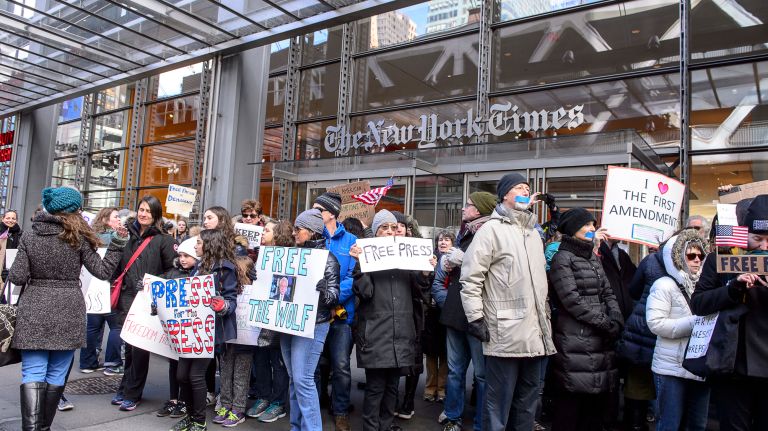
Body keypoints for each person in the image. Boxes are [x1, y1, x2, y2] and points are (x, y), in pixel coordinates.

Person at [10, 187, 128, 430]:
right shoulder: (78, 237)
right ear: (73, 211)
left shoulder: (30, 236)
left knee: (33, 371)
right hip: (70, 308)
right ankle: (44, 427)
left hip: (34, 308)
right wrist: (116, 245)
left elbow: (18, 277)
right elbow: (103, 272)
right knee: (56, 374)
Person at [460, 173, 556, 431]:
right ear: (504, 195)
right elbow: (470, 279)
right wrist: (475, 317)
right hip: (505, 333)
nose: (526, 191)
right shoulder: (491, 230)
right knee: (497, 405)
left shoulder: (534, 234)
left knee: (527, 404)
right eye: (519, 188)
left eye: (528, 187)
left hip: (535, 333)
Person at [691, 195, 768, 430]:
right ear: (743, 234)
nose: (764, 247)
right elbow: (699, 303)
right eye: (757, 239)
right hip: (733, 364)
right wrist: (732, 288)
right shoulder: (722, 259)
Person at [349, 209, 429, 431]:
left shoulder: (407, 258)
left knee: (393, 387)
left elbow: (421, 293)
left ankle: (386, 426)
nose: (390, 231)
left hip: (402, 334)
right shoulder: (367, 255)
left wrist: (423, 273)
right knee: (375, 389)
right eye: (384, 228)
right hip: (376, 334)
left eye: (394, 228)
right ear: (376, 232)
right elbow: (364, 293)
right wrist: (359, 265)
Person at [548, 208, 623, 431]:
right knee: (572, 404)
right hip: (576, 339)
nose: (593, 229)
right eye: (588, 225)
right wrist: (603, 322)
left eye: (593, 225)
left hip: (600, 338)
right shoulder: (562, 258)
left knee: (594, 406)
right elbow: (571, 300)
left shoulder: (590, 255)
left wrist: (616, 317)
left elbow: (607, 292)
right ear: (573, 228)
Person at [434, 191, 495, 431]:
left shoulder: (490, 234)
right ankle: (452, 416)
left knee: (481, 374)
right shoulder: (465, 232)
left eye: (468, 205)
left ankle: (482, 422)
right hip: (455, 313)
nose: (463, 209)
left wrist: (465, 259)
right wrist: (446, 263)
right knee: (455, 371)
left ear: (479, 210)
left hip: (478, 315)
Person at [170, 229, 239, 431]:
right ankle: (191, 417)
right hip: (192, 329)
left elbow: (231, 301)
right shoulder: (197, 268)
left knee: (195, 376)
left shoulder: (226, 269)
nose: (196, 246)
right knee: (182, 375)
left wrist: (222, 305)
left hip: (209, 331)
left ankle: (199, 421)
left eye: (199, 242)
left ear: (210, 244)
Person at [113, 195, 177, 411]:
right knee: (128, 348)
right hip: (127, 297)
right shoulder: (127, 236)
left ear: (156, 214)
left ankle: (132, 393)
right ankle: (125, 388)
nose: (143, 214)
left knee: (139, 347)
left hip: (148, 300)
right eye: (141, 209)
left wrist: (153, 283)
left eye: (149, 211)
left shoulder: (164, 239)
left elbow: (173, 270)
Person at [645, 229, 709, 431]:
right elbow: (655, 323)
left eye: (701, 255)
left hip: (700, 367)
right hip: (671, 368)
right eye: (691, 255)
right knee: (670, 425)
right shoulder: (663, 285)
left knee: (698, 425)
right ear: (678, 256)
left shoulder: (706, 285)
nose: (697, 260)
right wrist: (694, 324)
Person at [283, 209, 340, 430]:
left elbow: (333, 297)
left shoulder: (328, 259)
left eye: (299, 229)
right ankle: (296, 427)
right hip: (290, 322)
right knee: (294, 380)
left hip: (313, 325)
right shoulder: (293, 255)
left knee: (303, 380)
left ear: (313, 232)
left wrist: (325, 290)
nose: (295, 233)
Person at [312, 192, 357, 431]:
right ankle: (315, 409)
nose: (314, 214)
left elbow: (352, 277)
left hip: (341, 316)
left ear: (331, 214)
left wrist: (332, 299)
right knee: (316, 365)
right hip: (314, 315)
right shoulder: (312, 238)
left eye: (318, 210)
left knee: (341, 366)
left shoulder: (351, 241)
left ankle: (340, 411)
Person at [247, 220, 292, 423]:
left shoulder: (289, 256)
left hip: (279, 317)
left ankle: (278, 402)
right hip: (262, 316)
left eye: (266, 230)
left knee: (278, 361)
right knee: (261, 358)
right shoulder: (259, 255)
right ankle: (264, 397)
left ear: (278, 234)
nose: (262, 232)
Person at [155, 236, 199, 420]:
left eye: (187, 255)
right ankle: (174, 399)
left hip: (191, 329)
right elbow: (160, 284)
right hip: (175, 330)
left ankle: (183, 401)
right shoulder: (173, 273)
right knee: (174, 366)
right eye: (180, 255)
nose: (182, 259)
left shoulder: (198, 275)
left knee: (186, 371)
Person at [80, 207, 125, 376]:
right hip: (111, 286)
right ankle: (112, 364)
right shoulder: (117, 239)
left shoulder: (91, 238)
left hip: (93, 286)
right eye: (116, 217)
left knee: (92, 327)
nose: (119, 220)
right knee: (116, 326)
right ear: (106, 220)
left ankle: (87, 362)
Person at [423, 230, 453, 403]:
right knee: (432, 352)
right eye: (440, 240)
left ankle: (441, 388)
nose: (443, 242)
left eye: (447, 239)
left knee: (445, 352)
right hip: (432, 312)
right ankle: (430, 387)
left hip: (447, 311)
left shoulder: (454, 261)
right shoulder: (430, 258)